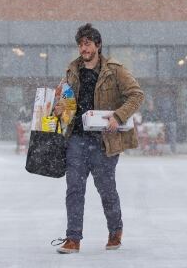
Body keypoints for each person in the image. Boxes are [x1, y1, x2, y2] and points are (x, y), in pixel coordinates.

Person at [51, 23, 145, 254]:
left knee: (106, 188)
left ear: (98, 45)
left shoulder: (114, 70)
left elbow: (136, 95)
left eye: (88, 44)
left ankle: (115, 230)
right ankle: (73, 238)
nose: (83, 49)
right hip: (76, 139)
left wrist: (119, 116)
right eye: (80, 44)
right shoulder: (72, 70)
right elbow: (67, 104)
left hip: (104, 140)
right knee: (74, 189)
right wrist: (58, 107)